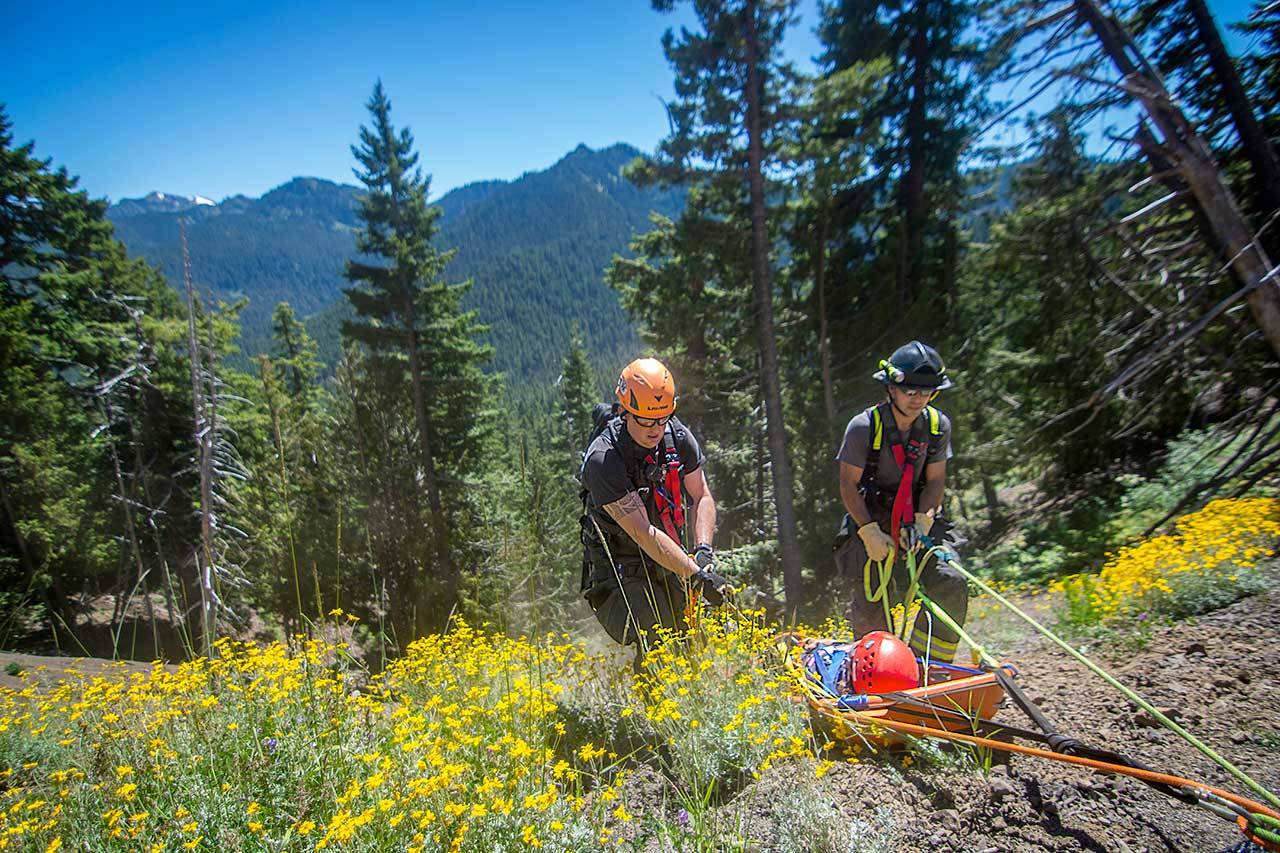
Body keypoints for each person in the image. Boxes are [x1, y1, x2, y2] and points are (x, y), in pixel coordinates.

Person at [579, 357, 730, 653]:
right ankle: (655, 698)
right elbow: (643, 532)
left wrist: (702, 551)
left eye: (662, 419)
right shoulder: (604, 460)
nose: (655, 429)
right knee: (659, 639)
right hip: (619, 566)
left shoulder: (677, 436)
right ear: (624, 411)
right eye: (646, 420)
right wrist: (697, 576)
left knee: (690, 643)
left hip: (669, 555)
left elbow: (702, 496)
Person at [832, 341, 968, 663]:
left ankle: (927, 665)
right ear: (891, 387)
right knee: (871, 605)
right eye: (909, 390)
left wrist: (923, 521)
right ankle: (878, 673)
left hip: (919, 516)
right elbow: (848, 486)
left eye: (926, 391)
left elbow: (935, 480)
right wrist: (868, 532)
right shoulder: (864, 427)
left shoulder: (937, 426)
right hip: (872, 519)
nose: (917, 398)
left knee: (952, 580)